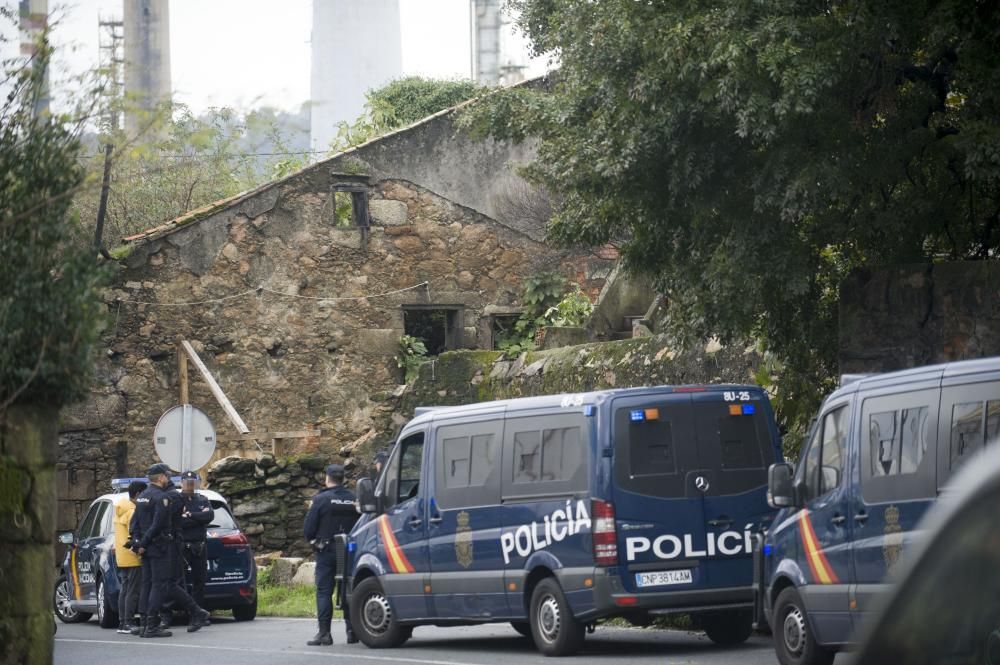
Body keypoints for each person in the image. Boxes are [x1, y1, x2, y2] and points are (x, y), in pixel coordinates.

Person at [132, 463, 212, 638]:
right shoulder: (162, 497)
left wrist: (138, 543)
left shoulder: (142, 496)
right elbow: (158, 524)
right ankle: (152, 624)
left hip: (148, 548)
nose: (168, 479)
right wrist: (143, 543)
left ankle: (194, 612)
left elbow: (135, 524)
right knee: (162, 584)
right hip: (160, 546)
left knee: (158, 584)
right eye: (167, 476)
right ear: (161, 478)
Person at [303, 464, 359, 646]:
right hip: (349, 550)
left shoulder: (321, 500)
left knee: (324, 591)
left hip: (326, 550)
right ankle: (352, 632)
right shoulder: (354, 498)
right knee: (349, 589)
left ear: (327, 478)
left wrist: (313, 539)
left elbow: (308, 529)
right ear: (343, 479)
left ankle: (324, 634)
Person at [114, 480, 146, 634]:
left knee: (125, 589)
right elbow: (133, 533)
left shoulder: (120, 508)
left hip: (121, 555)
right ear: (138, 494)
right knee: (132, 590)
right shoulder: (133, 511)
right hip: (132, 554)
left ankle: (122, 622)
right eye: (144, 494)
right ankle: (129, 622)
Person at [178, 470, 213, 606]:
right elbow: (179, 522)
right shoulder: (177, 500)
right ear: (181, 483)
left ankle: (197, 612)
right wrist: (199, 517)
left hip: (200, 546)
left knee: (200, 580)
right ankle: (184, 609)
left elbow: (209, 516)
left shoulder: (203, 499)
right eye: (187, 483)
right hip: (183, 547)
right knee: (180, 581)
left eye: (192, 483)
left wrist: (190, 515)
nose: (190, 486)